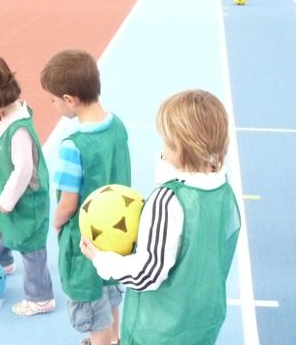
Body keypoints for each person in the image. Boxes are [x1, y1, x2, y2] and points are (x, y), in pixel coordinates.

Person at [81, 89, 241, 345]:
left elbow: (149, 272)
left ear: (183, 146)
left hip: (159, 331)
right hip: (204, 321)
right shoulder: (224, 193)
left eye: (166, 142)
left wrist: (102, 259)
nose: (162, 148)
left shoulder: (168, 200)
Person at [40, 49, 131, 345]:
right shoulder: (117, 126)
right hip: (119, 233)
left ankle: (103, 340)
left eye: (53, 100)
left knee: (92, 306)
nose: (53, 105)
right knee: (111, 289)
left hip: (85, 241)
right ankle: (115, 339)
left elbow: (68, 203)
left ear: (70, 99)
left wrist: (56, 224)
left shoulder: (73, 146)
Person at [0, 55, 55, 316]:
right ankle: (0, 262)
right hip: (9, 189)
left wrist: (7, 199)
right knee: (1, 227)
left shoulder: (18, 129)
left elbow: (24, 169)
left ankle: (40, 297)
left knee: (30, 245)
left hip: (25, 198)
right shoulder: (8, 113)